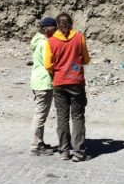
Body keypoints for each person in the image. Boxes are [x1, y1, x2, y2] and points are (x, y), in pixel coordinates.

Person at [48, 12, 91, 162]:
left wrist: (58, 72)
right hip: (76, 81)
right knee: (78, 116)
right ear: (71, 23)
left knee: (62, 117)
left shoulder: (51, 41)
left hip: (59, 82)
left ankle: (64, 151)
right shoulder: (79, 37)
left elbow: (48, 64)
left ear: (57, 25)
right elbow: (86, 59)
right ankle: (78, 152)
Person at [29, 16, 57, 156]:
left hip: (36, 80)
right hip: (44, 82)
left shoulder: (36, 40)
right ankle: (36, 145)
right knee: (40, 115)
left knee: (40, 114)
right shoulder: (44, 43)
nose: (55, 30)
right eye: (54, 28)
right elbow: (49, 64)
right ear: (47, 29)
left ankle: (39, 141)